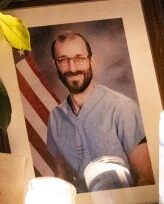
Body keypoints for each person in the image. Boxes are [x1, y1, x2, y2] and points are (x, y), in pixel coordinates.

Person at [45, 31, 153, 193]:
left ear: (92, 61)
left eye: (79, 58)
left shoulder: (123, 108)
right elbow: (62, 178)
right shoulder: (55, 118)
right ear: (54, 64)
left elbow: (147, 179)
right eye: (63, 60)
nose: (72, 67)